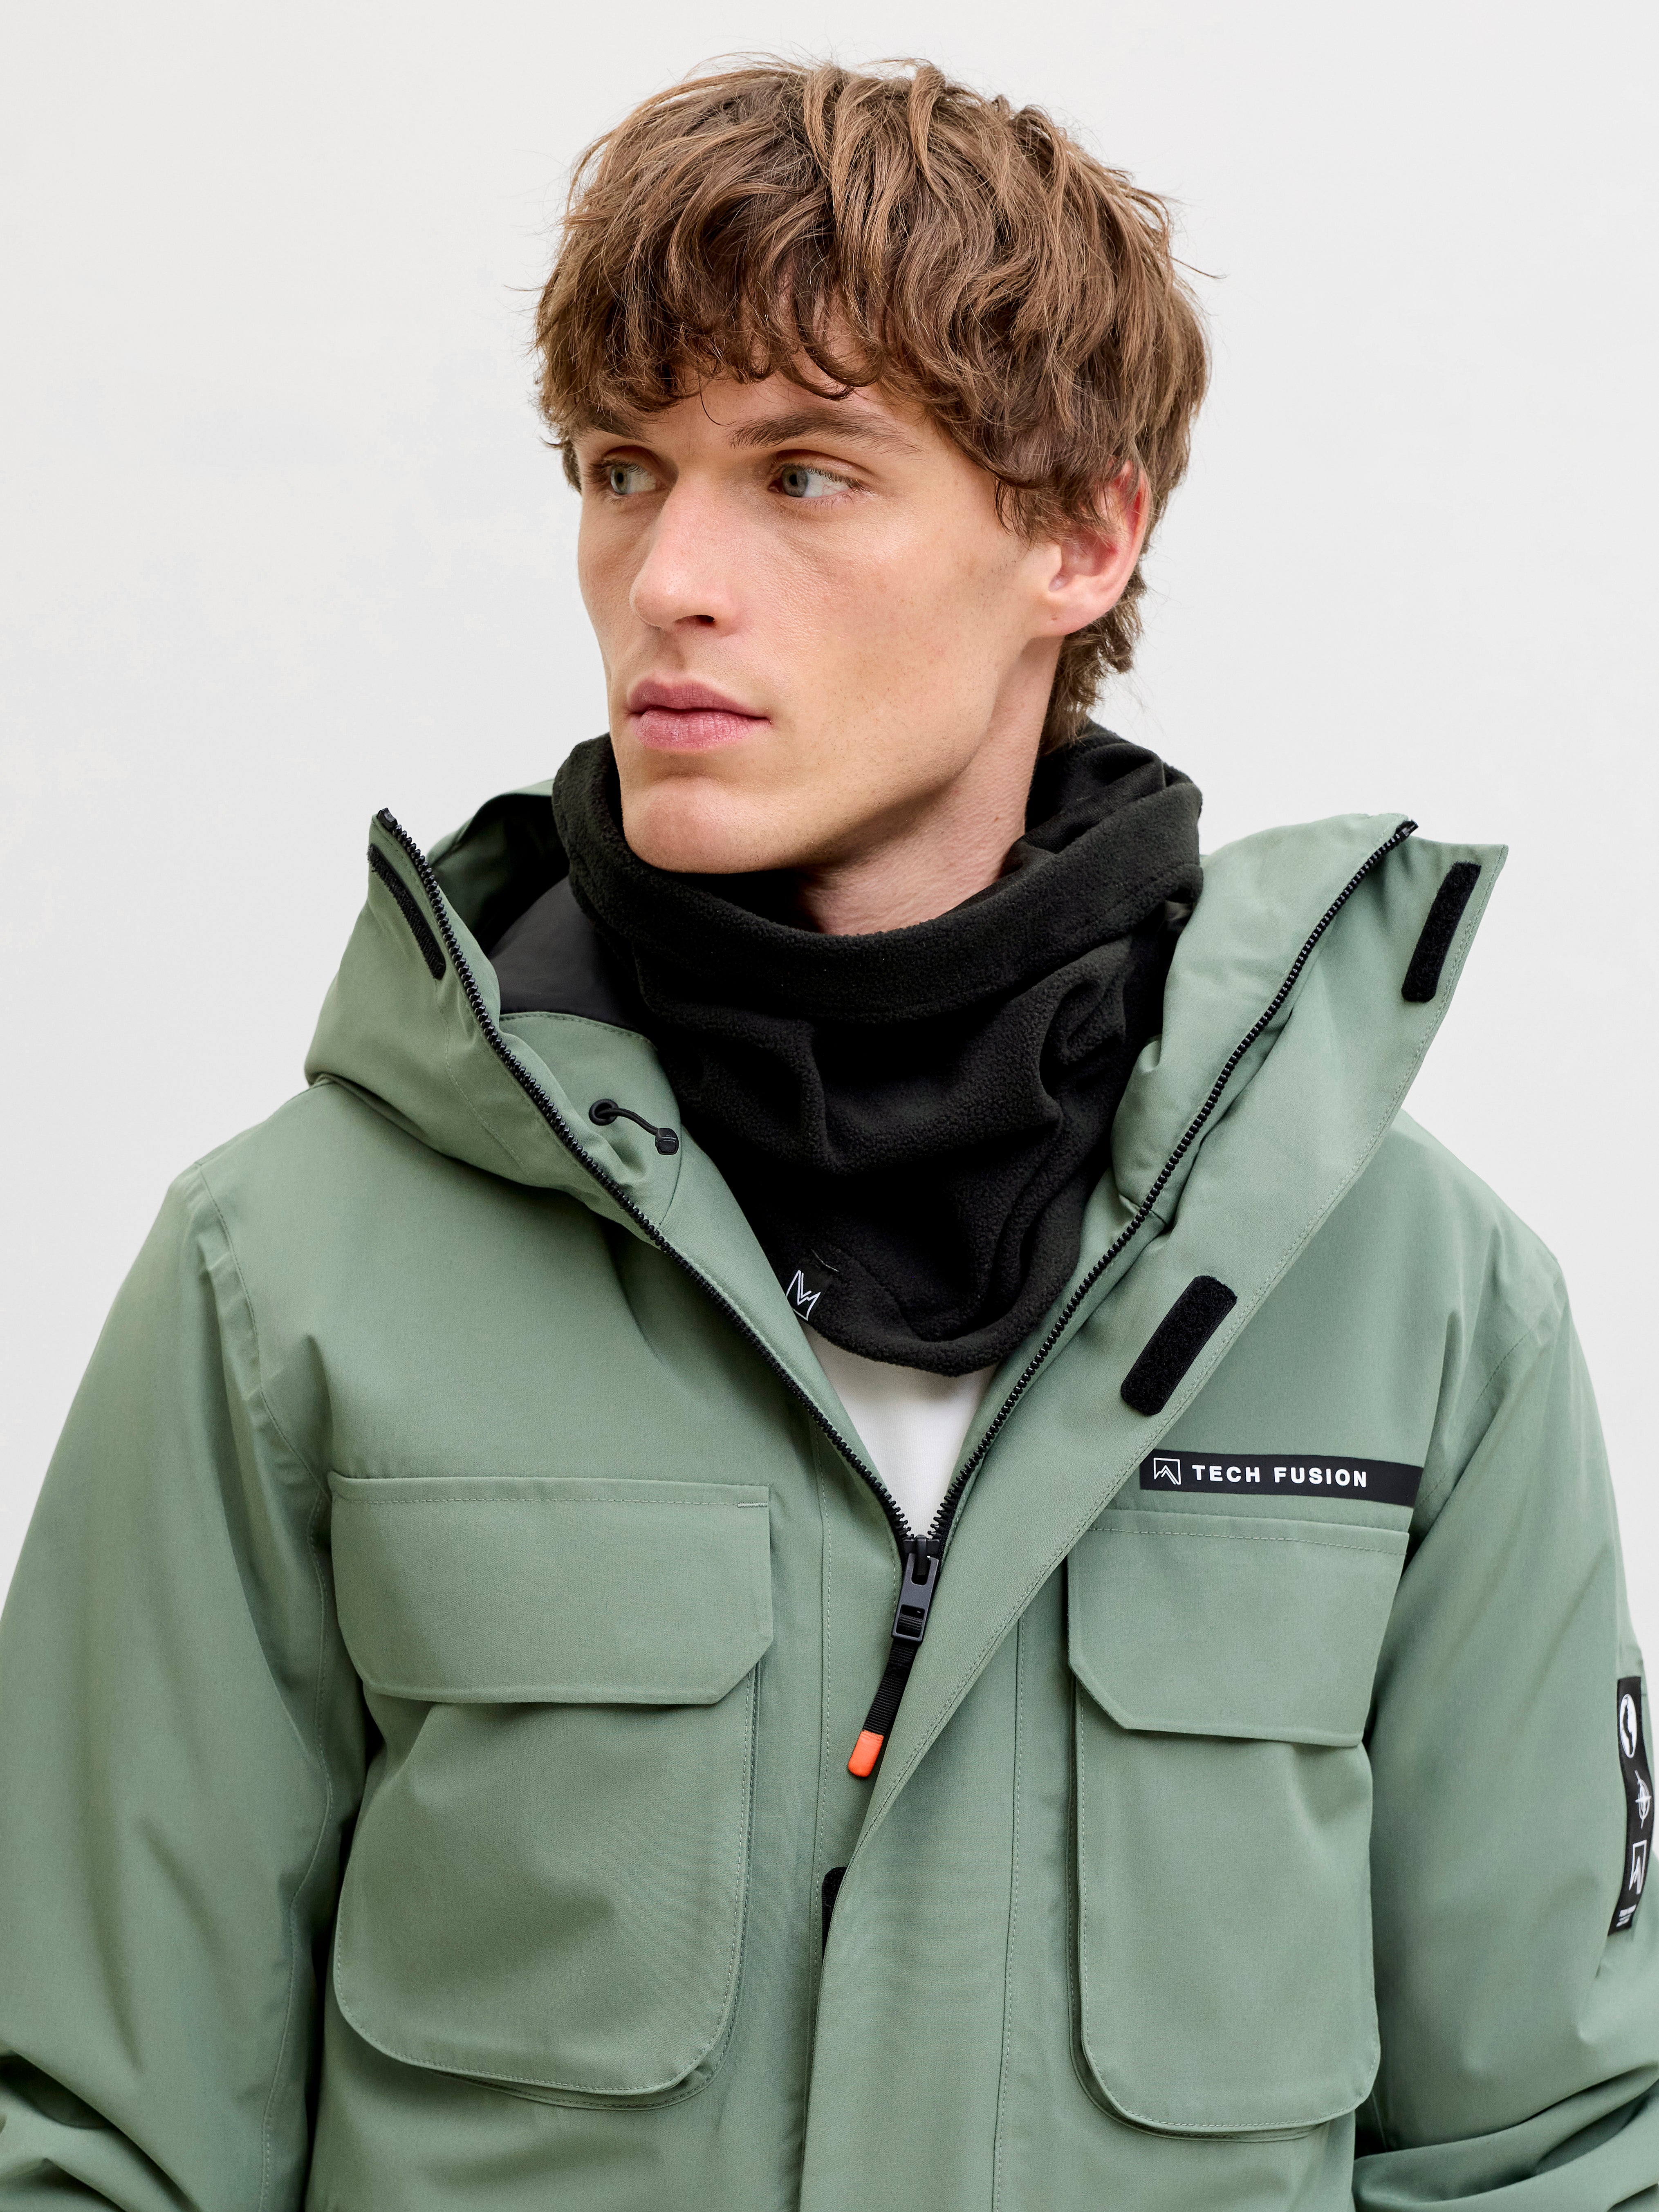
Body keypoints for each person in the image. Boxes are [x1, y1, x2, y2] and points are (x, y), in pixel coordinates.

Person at [0, 56, 1653, 2212]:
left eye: (802, 473)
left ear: (1081, 535)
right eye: (622, 468)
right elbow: (85, 2147)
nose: (669, 578)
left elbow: (1555, 2156)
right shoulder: (283, 1276)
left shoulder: (1412, 1305)